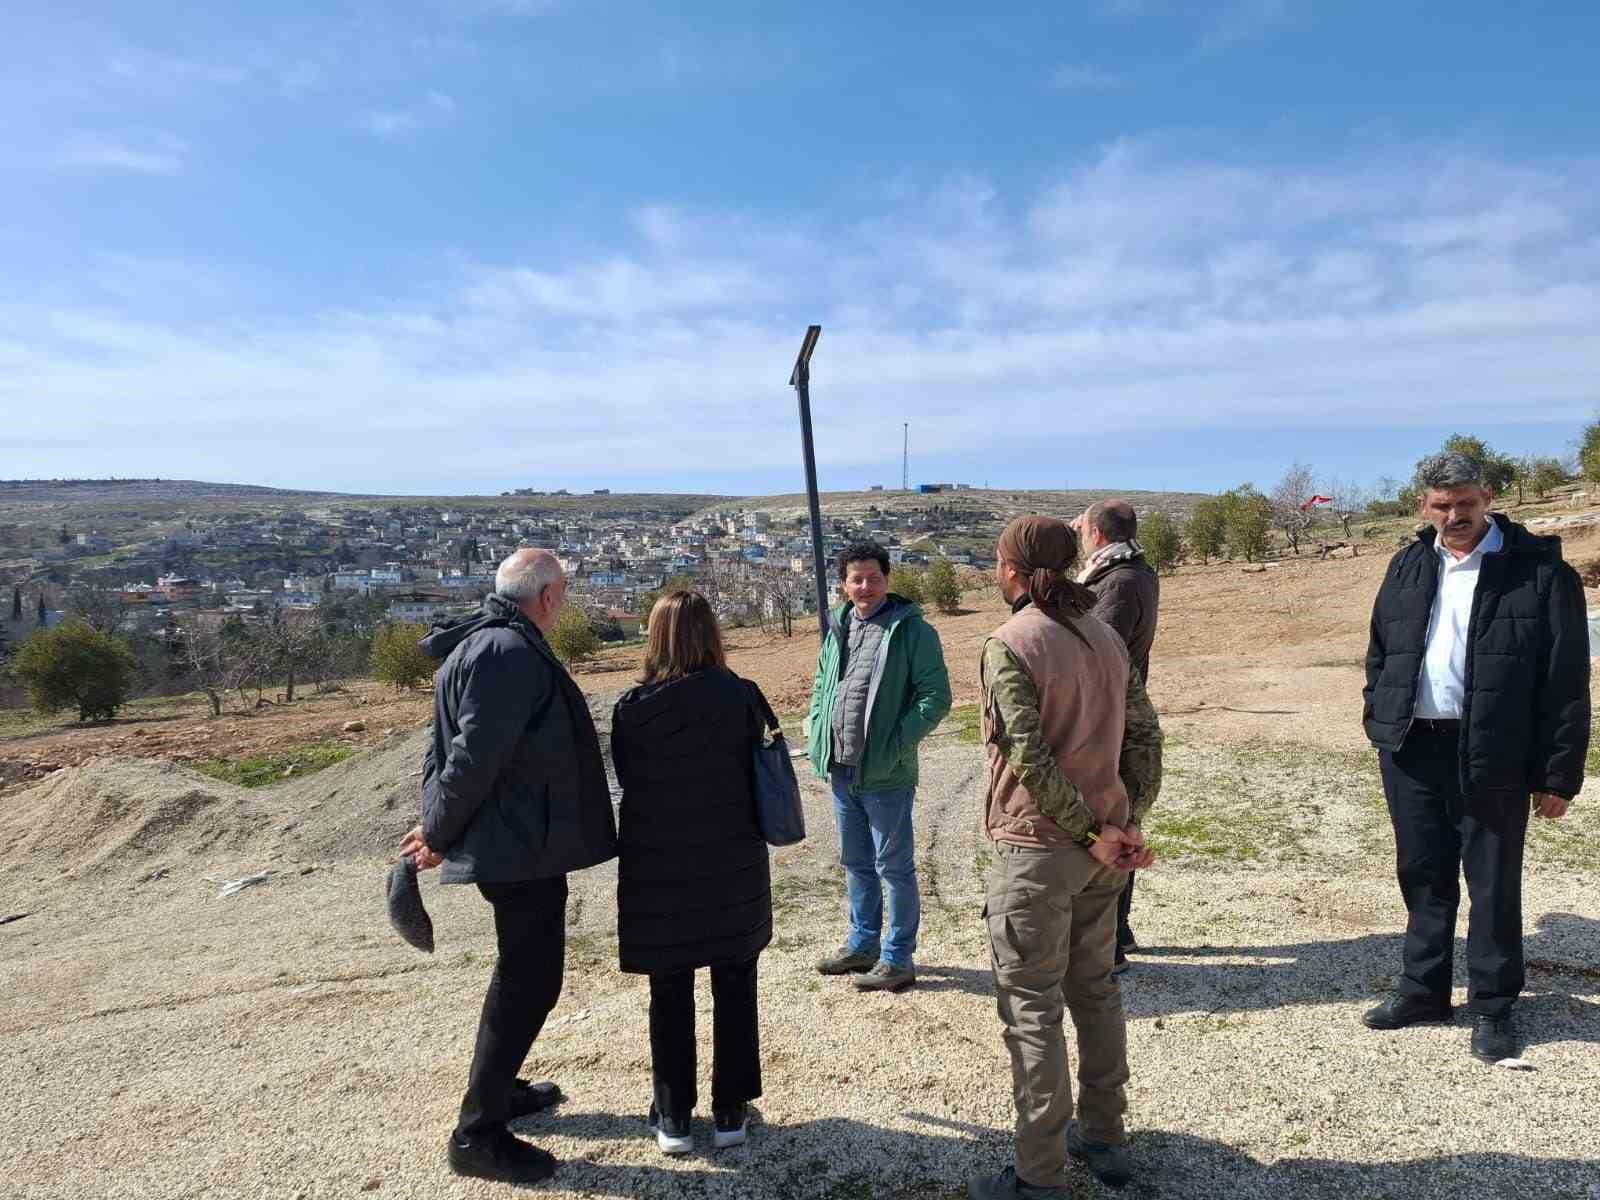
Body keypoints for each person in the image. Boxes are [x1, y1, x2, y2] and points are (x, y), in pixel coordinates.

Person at [399, 549, 618, 1185]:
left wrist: (437, 821)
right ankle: (478, 1134)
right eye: (563, 593)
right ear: (547, 597)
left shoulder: (480, 644)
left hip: (517, 840)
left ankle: (502, 1090)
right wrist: (438, 832)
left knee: (522, 974)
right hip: (518, 846)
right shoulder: (507, 652)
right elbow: (471, 757)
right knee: (531, 980)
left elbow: (442, 751)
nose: (564, 603)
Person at [1361, 452, 1588, 1063]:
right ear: (1424, 506)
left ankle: (1492, 1006)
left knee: (1492, 883)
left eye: (1466, 503)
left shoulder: (1539, 570)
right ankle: (1423, 991)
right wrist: (1378, 713)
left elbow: (1566, 680)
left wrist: (1559, 773)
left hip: (1496, 751)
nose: (1455, 515)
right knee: (1422, 873)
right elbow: (1381, 650)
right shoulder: (1408, 564)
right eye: (1442, 505)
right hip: (1412, 748)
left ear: (1487, 497)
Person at [970, 516, 1164, 1200]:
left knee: (1032, 1010)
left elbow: (1028, 755)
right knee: (1096, 990)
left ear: (1014, 571)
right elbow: (1146, 734)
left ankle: (1039, 1175)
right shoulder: (1105, 635)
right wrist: (1124, 822)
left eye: (999, 564)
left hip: (1039, 853)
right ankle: (1105, 1134)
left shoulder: (1009, 642)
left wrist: (1091, 831)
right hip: (1103, 850)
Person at [611, 591, 774, 1156]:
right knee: (736, 984)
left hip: (660, 867)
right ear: (712, 635)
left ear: (655, 637)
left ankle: (674, 1114)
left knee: (669, 988)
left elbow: (627, 777)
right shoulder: (743, 696)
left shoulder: (633, 708)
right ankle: (731, 1109)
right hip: (732, 863)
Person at [807, 540, 952, 992]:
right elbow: (822, 686)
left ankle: (897, 957)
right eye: (857, 579)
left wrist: (896, 743)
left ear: (887, 579)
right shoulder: (839, 626)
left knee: (893, 867)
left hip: (886, 773)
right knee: (856, 863)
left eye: (873, 578)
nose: (865, 587)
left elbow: (936, 697)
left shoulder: (912, 631)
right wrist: (817, 731)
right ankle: (863, 944)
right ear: (844, 584)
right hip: (842, 769)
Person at [1075, 498, 1160, 974]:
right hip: (1117, 713)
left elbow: (1098, 651)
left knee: (1112, 819)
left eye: (1083, 530)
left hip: (1112, 716)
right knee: (1118, 816)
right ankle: (1117, 929)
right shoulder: (1133, 571)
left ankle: (1109, 939)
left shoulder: (1120, 581)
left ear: (1097, 534)